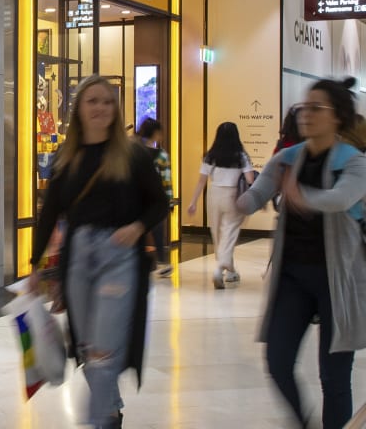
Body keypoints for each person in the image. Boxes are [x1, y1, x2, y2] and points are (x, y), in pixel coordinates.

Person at [29, 75, 169, 429]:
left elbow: (159, 203)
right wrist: (35, 267)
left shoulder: (133, 154)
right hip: (77, 257)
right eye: (92, 101)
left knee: (102, 348)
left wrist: (137, 228)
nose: (100, 108)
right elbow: (49, 214)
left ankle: (99, 420)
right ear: (79, 109)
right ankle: (110, 411)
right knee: (87, 346)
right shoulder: (67, 157)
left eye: (107, 101)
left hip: (118, 258)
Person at [237, 78, 366, 428]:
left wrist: (300, 196)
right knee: (278, 362)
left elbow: (340, 199)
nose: (305, 114)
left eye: (314, 108)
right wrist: (240, 200)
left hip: (338, 279)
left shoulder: (354, 163)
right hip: (293, 277)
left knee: (334, 378)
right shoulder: (287, 158)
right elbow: (256, 194)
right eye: (302, 108)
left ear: (337, 117)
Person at [186, 122, 256, 289]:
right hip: (233, 195)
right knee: (230, 232)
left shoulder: (210, 155)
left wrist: (193, 201)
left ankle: (230, 271)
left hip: (214, 194)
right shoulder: (241, 156)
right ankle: (221, 268)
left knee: (217, 233)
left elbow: (201, 181)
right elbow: (250, 180)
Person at [135, 118, 173, 278]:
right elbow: (166, 180)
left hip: (136, 198)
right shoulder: (161, 155)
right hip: (154, 199)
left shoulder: (133, 150)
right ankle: (162, 262)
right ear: (156, 133)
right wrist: (169, 201)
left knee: (139, 231)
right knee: (157, 230)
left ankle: (139, 262)